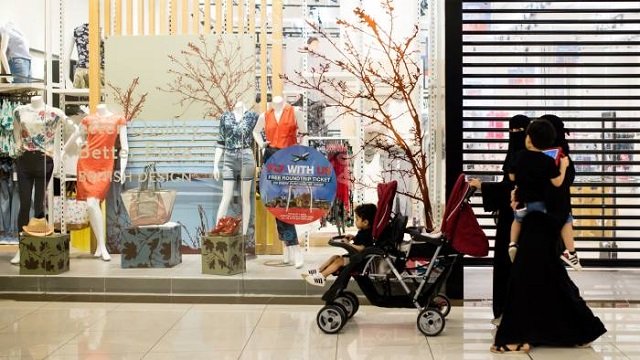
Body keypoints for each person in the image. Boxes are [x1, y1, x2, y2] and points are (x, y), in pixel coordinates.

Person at [468, 114, 530, 323]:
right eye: (511, 132)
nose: (514, 136)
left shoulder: (526, 158)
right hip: (508, 219)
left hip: (522, 220)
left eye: (518, 131)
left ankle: (512, 311)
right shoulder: (517, 155)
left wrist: (482, 186)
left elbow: (514, 188)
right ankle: (505, 309)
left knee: (513, 264)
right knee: (505, 263)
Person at [10, 96, 69, 264]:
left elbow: (72, 128)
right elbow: (16, 136)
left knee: (39, 205)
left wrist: (59, 155)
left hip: (44, 160)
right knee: (24, 204)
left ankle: (38, 247)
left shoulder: (55, 113)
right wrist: (18, 150)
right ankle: (21, 248)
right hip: (24, 160)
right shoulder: (19, 111)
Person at [253, 96, 307, 268]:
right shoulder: (265, 115)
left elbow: (304, 133)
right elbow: (255, 131)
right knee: (276, 204)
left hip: (289, 156)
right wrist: (262, 144)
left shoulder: (295, 111)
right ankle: (288, 247)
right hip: (271, 157)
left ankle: (295, 247)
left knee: (286, 203)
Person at [71, 104, 128, 261]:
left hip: (104, 165)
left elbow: (125, 147)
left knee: (93, 203)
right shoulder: (88, 119)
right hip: (86, 162)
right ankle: (101, 247)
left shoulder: (118, 119)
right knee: (91, 204)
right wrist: (62, 152)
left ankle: (100, 246)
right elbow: (74, 136)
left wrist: (122, 169)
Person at [507, 119, 569, 262]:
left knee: (517, 222)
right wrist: (563, 166)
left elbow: (511, 176)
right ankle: (564, 252)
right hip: (540, 205)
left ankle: (513, 243)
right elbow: (557, 182)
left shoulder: (519, 156)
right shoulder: (547, 160)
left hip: (522, 202)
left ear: (528, 139)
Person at [541, 114, 581, 270]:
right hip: (561, 210)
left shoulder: (546, 154)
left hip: (546, 212)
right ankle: (571, 253)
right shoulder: (564, 154)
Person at [213, 101, 259, 236]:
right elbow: (221, 140)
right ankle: (217, 232)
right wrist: (215, 165)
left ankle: (244, 236)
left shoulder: (252, 116)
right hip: (228, 157)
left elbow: (258, 134)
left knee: (245, 199)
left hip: (246, 156)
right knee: (225, 197)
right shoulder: (225, 117)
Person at [303, 203, 377, 287]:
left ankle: (321, 278)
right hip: (355, 257)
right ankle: (318, 271)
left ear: (365, 222)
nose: (355, 221)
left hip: (359, 260)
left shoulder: (367, 234)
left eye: (357, 219)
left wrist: (348, 244)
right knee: (334, 257)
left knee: (339, 261)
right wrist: (353, 238)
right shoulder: (363, 231)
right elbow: (361, 241)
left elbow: (362, 248)